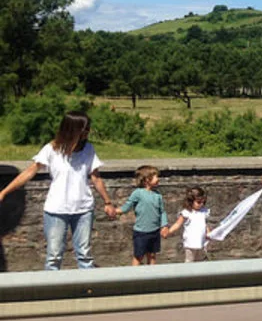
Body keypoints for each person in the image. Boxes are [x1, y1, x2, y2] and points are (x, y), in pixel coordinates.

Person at [0, 111, 113, 270]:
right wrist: (4, 192)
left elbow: (96, 178)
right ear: (72, 129)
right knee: (54, 256)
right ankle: (51, 284)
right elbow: (30, 172)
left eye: (88, 128)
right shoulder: (51, 149)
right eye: (84, 128)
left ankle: (88, 284)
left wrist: (108, 202)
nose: (87, 132)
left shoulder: (88, 149)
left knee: (85, 255)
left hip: (83, 209)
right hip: (56, 210)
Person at [115, 165, 168, 266]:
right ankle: (134, 275)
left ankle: (151, 274)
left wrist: (164, 225)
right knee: (138, 256)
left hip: (154, 231)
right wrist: (115, 211)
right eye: (156, 176)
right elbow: (126, 206)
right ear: (147, 179)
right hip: (141, 233)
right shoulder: (137, 193)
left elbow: (162, 212)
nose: (158, 179)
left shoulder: (158, 195)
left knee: (152, 255)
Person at [167, 186, 211, 262]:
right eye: (198, 202)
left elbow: (205, 224)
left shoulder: (204, 211)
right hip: (190, 243)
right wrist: (169, 231)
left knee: (202, 261)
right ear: (191, 201)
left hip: (202, 242)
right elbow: (177, 224)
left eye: (203, 202)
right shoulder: (187, 213)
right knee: (189, 261)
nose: (201, 204)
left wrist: (208, 232)